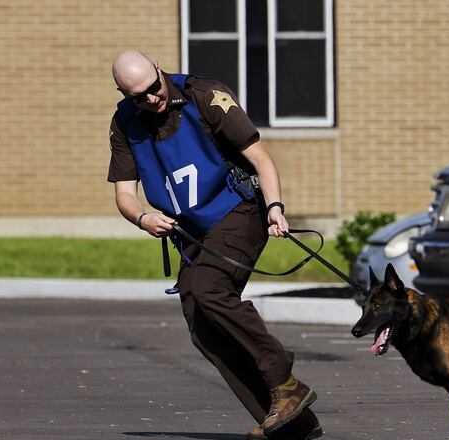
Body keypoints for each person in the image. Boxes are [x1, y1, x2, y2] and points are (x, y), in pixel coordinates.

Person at [107, 50, 321, 440]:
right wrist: (143, 217)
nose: (151, 98)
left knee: (210, 289)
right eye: (138, 96)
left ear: (159, 69)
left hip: (239, 211)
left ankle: (285, 383)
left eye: (154, 87)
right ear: (123, 94)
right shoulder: (124, 123)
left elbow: (262, 158)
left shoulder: (205, 96)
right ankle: (292, 420)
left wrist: (274, 206)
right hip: (192, 231)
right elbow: (125, 194)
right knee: (201, 323)